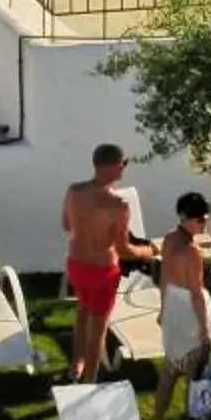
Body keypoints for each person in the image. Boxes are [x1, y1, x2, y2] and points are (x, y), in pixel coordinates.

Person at [60, 144, 155, 383]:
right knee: (98, 327)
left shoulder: (73, 191)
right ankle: (90, 380)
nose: (124, 168)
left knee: (82, 313)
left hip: (77, 265)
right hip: (103, 271)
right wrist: (147, 250)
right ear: (113, 165)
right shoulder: (118, 205)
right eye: (124, 163)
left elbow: (66, 225)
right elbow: (123, 249)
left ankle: (76, 366)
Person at [147, 192, 211, 420]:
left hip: (173, 308)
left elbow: (164, 279)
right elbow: (196, 294)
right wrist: (205, 328)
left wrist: (163, 310)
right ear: (188, 219)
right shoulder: (192, 252)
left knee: (169, 370)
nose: (205, 224)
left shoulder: (168, 240)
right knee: (193, 375)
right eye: (201, 220)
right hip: (188, 312)